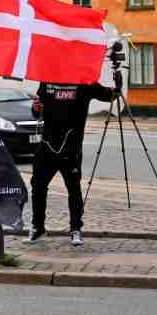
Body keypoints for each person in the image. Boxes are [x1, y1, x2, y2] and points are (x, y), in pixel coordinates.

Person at [25, 80, 115, 247]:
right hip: (47, 144)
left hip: (71, 146)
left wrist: (118, 81)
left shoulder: (83, 82)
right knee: (37, 186)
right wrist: (36, 109)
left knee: (73, 188)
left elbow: (110, 96)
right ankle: (38, 227)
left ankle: (75, 229)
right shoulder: (47, 81)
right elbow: (37, 112)